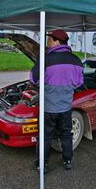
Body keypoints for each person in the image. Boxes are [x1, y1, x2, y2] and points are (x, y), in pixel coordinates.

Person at [30, 29, 84, 172]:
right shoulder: (76, 60)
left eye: (49, 40)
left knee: (45, 136)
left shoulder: (45, 60)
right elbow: (79, 83)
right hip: (66, 107)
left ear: (57, 41)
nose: (47, 43)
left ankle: (43, 164)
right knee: (66, 134)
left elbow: (33, 79)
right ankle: (67, 161)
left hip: (48, 108)